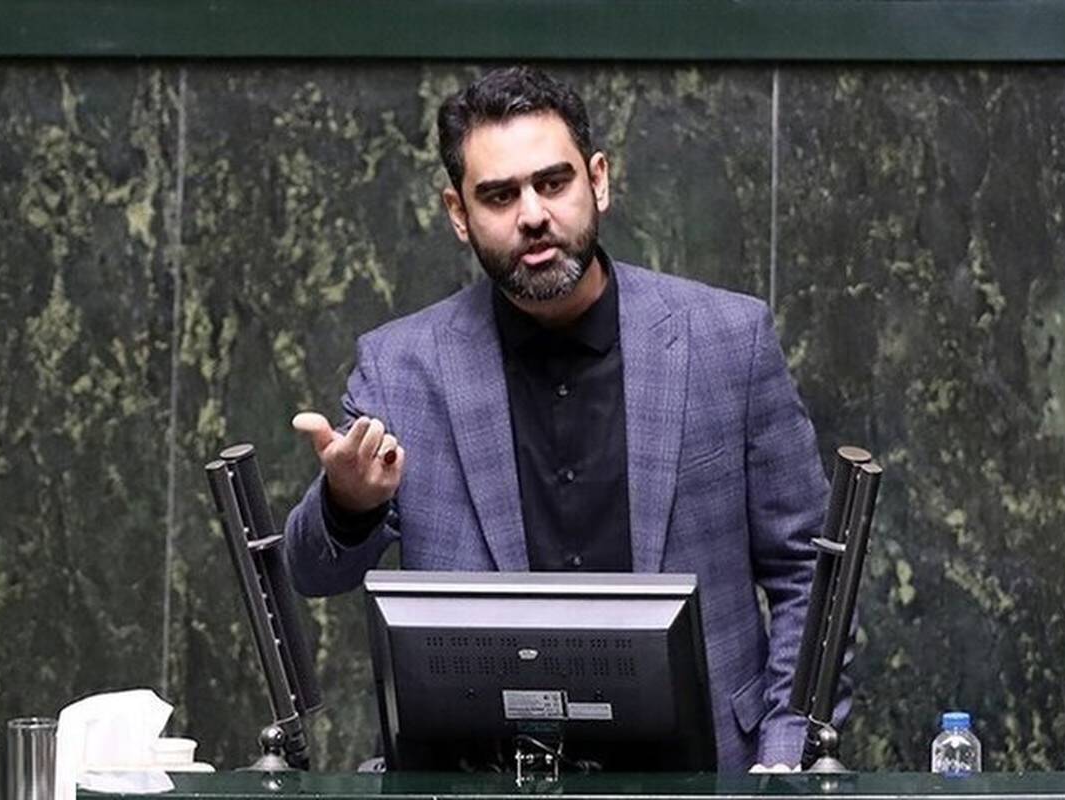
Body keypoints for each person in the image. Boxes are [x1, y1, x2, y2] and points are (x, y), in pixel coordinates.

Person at [284, 66, 844, 773]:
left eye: (553, 183)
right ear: (458, 213)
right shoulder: (400, 367)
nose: (532, 214)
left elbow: (808, 573)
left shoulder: (729, 341)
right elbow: (312, 572)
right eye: (499, 195)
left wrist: (785, 755)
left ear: (598, 181)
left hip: (702, 776)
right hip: (478, 783)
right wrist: (349, 504)